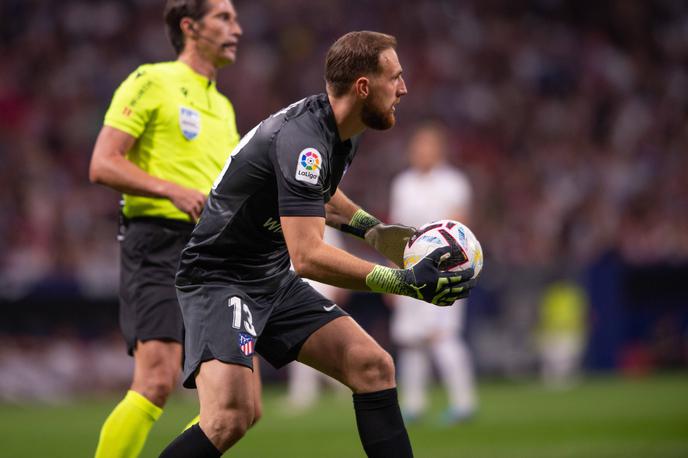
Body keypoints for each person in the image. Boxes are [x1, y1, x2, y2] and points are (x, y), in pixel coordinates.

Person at [159, 31, 477, 457]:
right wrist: (403, 281)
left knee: (373, 365)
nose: (403, 89)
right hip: (220, 278)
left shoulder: (345, 128)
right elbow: (306, 256)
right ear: (363, 87)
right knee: (230, 418)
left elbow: (317, 192)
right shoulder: (303, 139)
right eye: (395, 78)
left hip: (268, 276)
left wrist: (372, 230)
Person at [88, 1, 261, 457]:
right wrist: (171, 190)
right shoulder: (151, 80)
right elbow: (102, 163)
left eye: (236, 18)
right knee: (157, 379)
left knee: (241, 403)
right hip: (159, 241)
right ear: (190, 26)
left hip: (215, 252)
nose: (236, 28)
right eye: (224, 18)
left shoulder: (223, 106)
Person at [388, 122, 478, 424]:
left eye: (426, 146)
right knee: (411, 339)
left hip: (445, 269)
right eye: (416, 146)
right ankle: (413, 405)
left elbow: (461, 228)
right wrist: (392, 274)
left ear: (439, 150)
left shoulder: (454, 183)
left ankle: (464, 403)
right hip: (410, 270)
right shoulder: (402, 184)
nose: (420, 152)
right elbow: (396, 232)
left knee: (442, 336)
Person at [285, 227, 350, 411]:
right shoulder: (284, 218)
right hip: (293, 286)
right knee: (308, 343)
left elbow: (337, 255)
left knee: (302, 341)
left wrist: (339, 286)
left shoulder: (323, 223)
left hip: (317, 286)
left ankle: (303, 393)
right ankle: (344, 382)